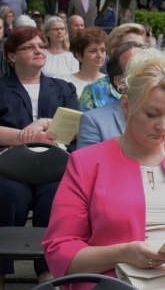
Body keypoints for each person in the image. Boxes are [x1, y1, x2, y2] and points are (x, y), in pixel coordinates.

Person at [42, 49, 165, 289]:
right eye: (151, 114)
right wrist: (122, 253)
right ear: (126, 106)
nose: (162, 127)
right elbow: (60, 251)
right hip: (118, 281)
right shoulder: (87, 163)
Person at [0, 27, 79, 286]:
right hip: (9, 166)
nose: (38, 50)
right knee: (9, 196)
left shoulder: (63, 88)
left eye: (41, 45)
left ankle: (48, 269)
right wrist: (28, 135)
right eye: (29, 47)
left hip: (53, 167)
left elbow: (74, 125)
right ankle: (1, 268)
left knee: (56, 199)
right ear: (11, 56)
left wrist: (43, 121)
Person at [58, 27, 108, 97]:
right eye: (93, 51)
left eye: (103, 50)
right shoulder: (65, 83)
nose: (99, 55)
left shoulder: (110, 83)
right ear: (79, 55)